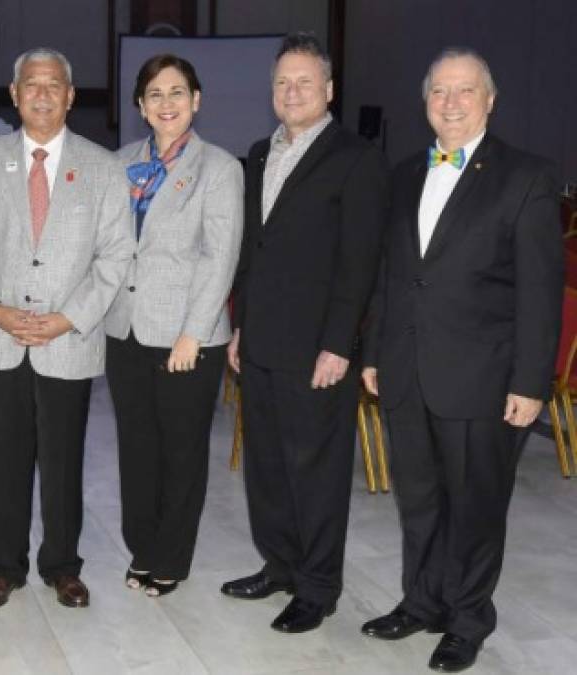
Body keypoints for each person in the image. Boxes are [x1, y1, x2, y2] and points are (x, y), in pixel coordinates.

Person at [360, 48, 562, 673]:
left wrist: (531, 382)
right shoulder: (403, 176)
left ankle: (469, 618)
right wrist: (373, 354)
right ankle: (422, 602)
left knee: (475, 505)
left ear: (490, 100)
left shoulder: (527, 177)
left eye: (464, 91)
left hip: (483, 376)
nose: (450, 103)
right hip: (406, 368)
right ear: (425, 103)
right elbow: (391, 277)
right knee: (419, 500)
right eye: (439, 92)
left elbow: (540, 290)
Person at [222, 32, 387, 633]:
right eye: (282, 83)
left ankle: (318, 587)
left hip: (319, 347)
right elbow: (253, 251)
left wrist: (340, 344)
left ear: (329, 90)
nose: (292, 92)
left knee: (315, 471)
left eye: (304, 82)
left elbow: (361, 260)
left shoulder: (356, 157)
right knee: (267, 465)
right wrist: (239, 327)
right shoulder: (261, 152)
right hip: (261, 341)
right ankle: (280, 565)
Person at [0, 47, 133, 610]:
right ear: (13, 95)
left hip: (69, 342)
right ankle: (2, 568)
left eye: (53, 84)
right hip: (1, 337)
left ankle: (62, 565)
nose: (41, 93)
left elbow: (115, 256)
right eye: (30, 84)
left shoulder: (103, 167)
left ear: (70, 95)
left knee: (63, 462)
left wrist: (68, 318)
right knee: (4, 461)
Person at [106, 54, 243, 597]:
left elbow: (220, 255)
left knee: (181, 452)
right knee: (136, 449)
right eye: (155, 94)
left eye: (177, 92)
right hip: (127, 331)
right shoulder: (118, 163)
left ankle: (171, 557)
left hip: (189, 337)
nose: (167, 103)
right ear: (140, 106)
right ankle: (142, 545)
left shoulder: (219, 168)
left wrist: (193, 331)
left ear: (197, 100)